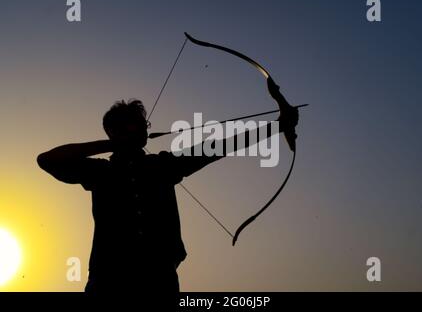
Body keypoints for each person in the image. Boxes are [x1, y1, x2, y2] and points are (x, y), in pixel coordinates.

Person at [37, 99, 297, 303]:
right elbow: (47, 159)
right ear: (114, 130)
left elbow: (219, 147)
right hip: (108, 281)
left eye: (143, 124)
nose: (142, 129)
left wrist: (278, 126)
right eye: (133, 124)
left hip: (159, 281)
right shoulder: (100, 172)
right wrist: (112, 144)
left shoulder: (164, 165)